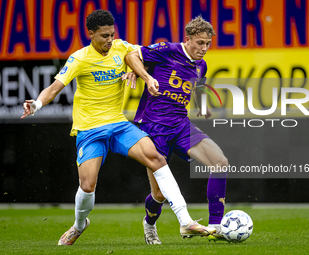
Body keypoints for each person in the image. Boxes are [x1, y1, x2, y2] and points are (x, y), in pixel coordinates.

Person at [21, 10, 216, 246]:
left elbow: (138, 54)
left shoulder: (121, 47)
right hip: (90, 129)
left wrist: (138, 72)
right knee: (87, 185)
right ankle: (80, 224)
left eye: (112, 34)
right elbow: (54, 88)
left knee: (156, 158)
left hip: (119, 125)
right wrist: (37, 104)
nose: (109, 40)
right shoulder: (79, 58)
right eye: (104, 36)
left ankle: (185, 221)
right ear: (91, 34)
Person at [125, 16, 228, 244]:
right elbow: (132, 55)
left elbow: (197, 85)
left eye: (208, 44)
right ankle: (149, 223)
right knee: (159, 195)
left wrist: (202, 103)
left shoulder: (202, 65)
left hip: (181, 125)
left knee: (220, 162)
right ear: (187, 39)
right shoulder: (168, 50)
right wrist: (145, 75)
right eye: (200, 43)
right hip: (153, 128)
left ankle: (215, 226)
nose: (204, 48)